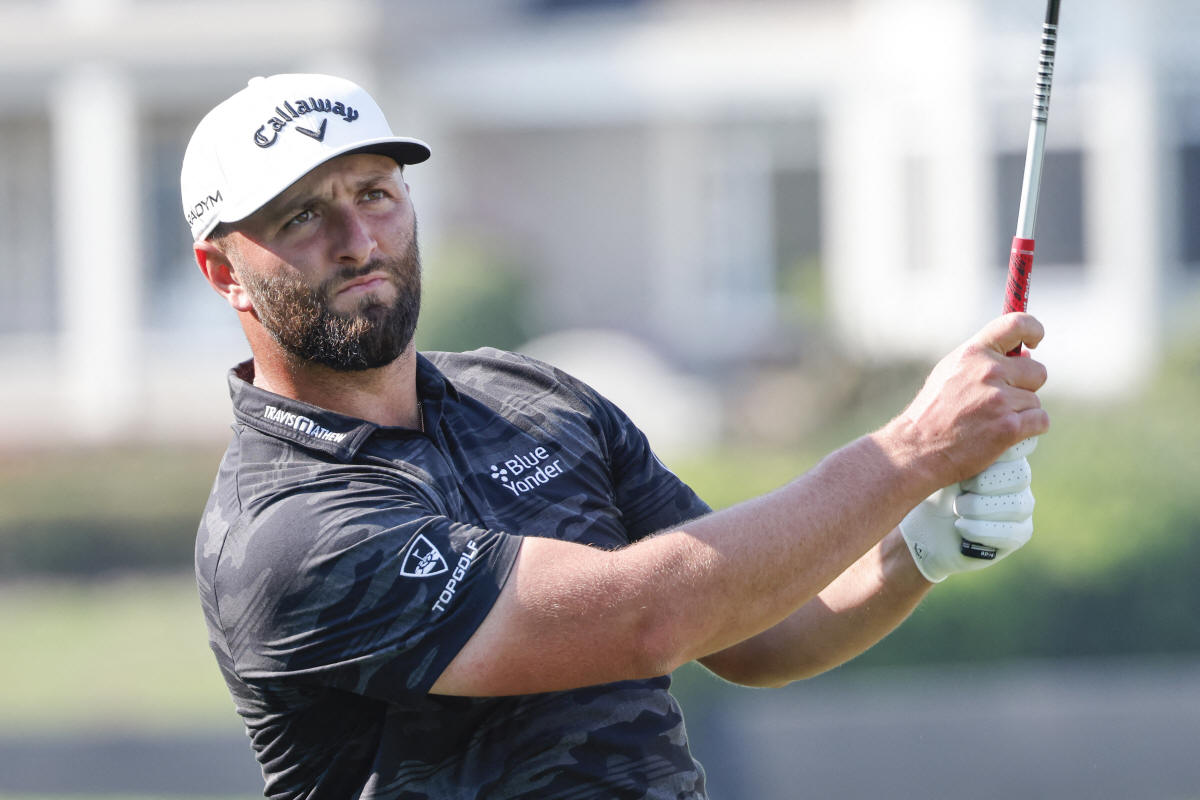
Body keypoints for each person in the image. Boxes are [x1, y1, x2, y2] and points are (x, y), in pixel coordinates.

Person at [183, 73, 1049, 800]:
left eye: (374, 194)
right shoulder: (283, 532)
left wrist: (914, 549)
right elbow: (644, 619)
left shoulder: (530, 397)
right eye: (302, 217)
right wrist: (912, 450)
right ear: (225, 272)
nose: (357, 241)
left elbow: (757, 632)